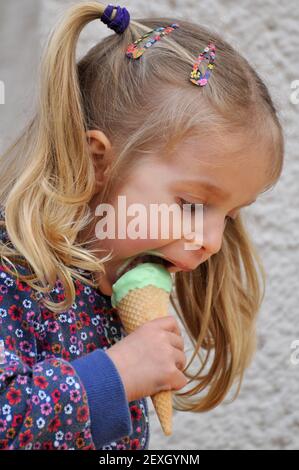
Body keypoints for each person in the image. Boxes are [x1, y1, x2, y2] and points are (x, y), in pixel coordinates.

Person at [0, 1, 284, 450]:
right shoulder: (12, 271)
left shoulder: (116, 286)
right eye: (191, 205)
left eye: (228, 217)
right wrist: (115, 376)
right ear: (97, 162)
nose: (212, 242)